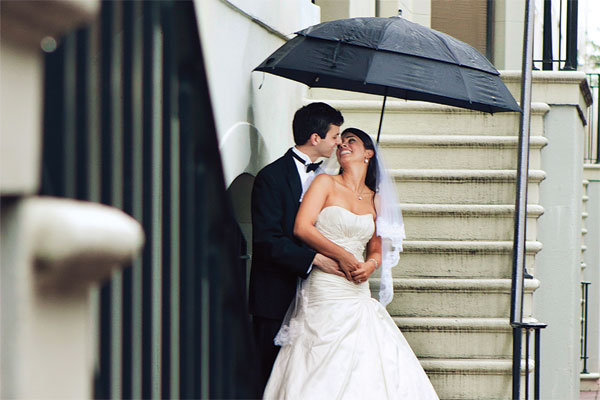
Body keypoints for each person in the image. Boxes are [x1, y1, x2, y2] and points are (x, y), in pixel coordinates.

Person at [263, 128, 439, 399]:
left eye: (351, 141)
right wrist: (341, 256)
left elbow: (377, 249)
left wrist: (370, 265)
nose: (342, 145)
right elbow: (302, 228)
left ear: (368, 153)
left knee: (365, 359)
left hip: (356, 289)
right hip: (325, 283)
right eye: (340, 141)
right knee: (318, 355)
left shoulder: (375, 199)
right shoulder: (325, 183)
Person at [249, 102, 347, 391]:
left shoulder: (332, 179)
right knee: (270, 378)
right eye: (335, 136)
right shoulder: (271, 177)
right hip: (276, 294)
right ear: (315, 139)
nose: (339, 142)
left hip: (320, 295)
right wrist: (314, 259)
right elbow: (267, 241)